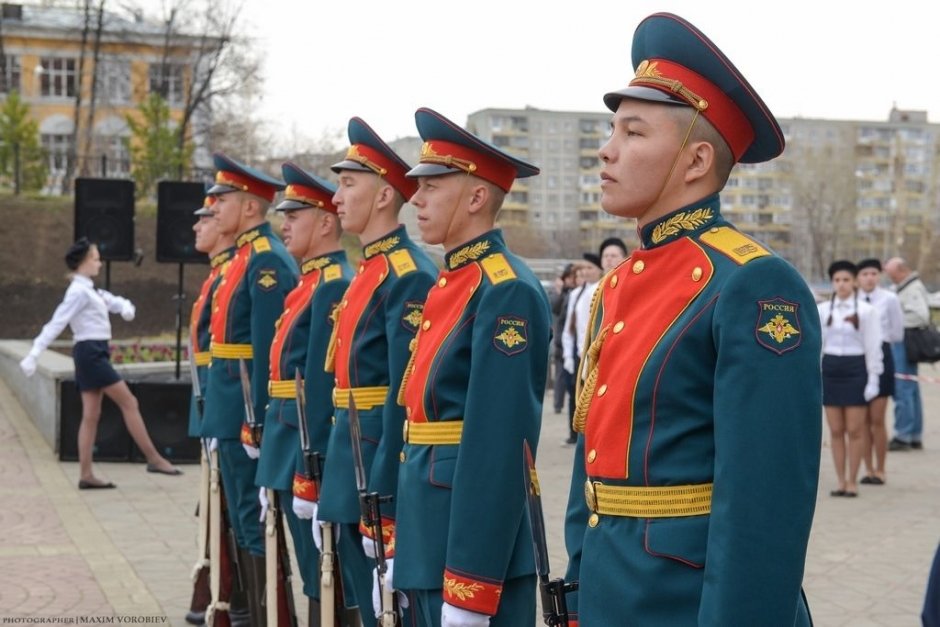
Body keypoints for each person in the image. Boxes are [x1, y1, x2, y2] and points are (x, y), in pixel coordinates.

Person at [563, 13, 822, 625]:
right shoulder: (617, 287)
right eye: (611, 131)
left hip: (685, 606)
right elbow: (594, 470)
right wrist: (577, 588)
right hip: (611, 592)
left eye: (632, 133)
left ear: (696, 159)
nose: (607, 150)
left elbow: (763, 509)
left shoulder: (753, 284)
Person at [393, 106, 551, 627]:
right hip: (428, 527)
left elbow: (498, 446)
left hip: (470, 547)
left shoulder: (503, 289)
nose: (415, 198)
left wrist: (471, 583)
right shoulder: (453, 279)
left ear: (477, 196)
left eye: (433, 186)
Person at [317, 117, 437, 626]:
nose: (336, 198)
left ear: (386, 194)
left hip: (375, 467)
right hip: (349, 458)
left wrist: (385, 497)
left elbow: (401, 395)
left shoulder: (406, 276)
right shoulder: (369, 269)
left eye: (348, 184)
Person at [253, 162, 355, 625]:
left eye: (295, 215)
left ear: (326, 222)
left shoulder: (333, 284)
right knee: (309, 564)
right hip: (286, 432)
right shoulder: (311, 281)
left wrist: (308, 465)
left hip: (305, 440)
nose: (283, 224)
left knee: (326, 572)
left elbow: (321, 381)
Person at [201, 153, 298, 626]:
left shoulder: (265, 262)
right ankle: (245, 612)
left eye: (223, 199)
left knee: (256, 524)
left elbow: (266, 352)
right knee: (241, 518)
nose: (213, 207)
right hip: (227, 410)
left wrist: (257, 423)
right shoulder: (243, 257)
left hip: (246, 416)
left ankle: (263, 617)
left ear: (251, 207)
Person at [19, 238, 181, 489]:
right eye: (94, 258)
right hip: (91, 353)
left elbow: (109, 300)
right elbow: (57, 322)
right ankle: (154, 458)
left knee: (91, 414)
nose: (99, 263)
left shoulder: (88, 290)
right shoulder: (78, 292)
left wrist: (125, 306)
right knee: (129, 402)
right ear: (83, 263)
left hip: (93, 352)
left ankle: (86, 474)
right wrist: (35, 353)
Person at [184, 195, 241, 627]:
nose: (199, 226)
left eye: (208, 217)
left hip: (232, 411)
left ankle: (234, 602)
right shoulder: (218, 274)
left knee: (236, 514)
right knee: (216, 509)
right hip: (214, 405)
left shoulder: (238, 269)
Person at [817, 260, 882, 497]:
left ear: (854, 282)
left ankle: (853, 480)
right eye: (837, 280)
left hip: (856, 368)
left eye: (846, 280)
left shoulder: (867, 311)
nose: (842, 284)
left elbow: (873, 346)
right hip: (831, 368)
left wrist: (873, 377)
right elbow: (818, 346)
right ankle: (840, 480)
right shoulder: (822, 310)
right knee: (835, 430)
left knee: (855, 430)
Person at [856, 258, 904, 484]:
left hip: (882, 354)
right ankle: (867, 468)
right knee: (862, 420)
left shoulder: (889, 299)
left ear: (879, 276)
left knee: (877, 418)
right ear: (858, 277)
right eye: (864, 274)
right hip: (858, 357)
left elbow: (897, 333)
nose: (869, 278)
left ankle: (881, 468)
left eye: (873, 274)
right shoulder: (852, 300)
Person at [884, 256, 931, 451]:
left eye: (892, 275)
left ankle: (903, 435)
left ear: (901, 271)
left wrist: (894, 323)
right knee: (911, 389)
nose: (891, 279)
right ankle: (914, 435)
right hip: (905, 341)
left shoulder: (911, 289)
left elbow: (921, 316)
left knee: (903, 388)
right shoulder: (908, 286)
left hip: (904, 341)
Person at [561, 257, 601, 444]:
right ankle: (574, 434)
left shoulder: (602, 288)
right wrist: (568, 354)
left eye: (589, 267)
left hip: (593, 354)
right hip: (579, 353)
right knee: (575, 395)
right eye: (582, 268)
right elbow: (571, 326)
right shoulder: (578, 293)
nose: (585, 272)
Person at [551, 263, 576, 415]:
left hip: (573, 340)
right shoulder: (562, 294)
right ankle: (557, 404)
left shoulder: (580, 292)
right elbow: (555, 308)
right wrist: (560, 292)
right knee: (560, 374)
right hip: (561, 339)